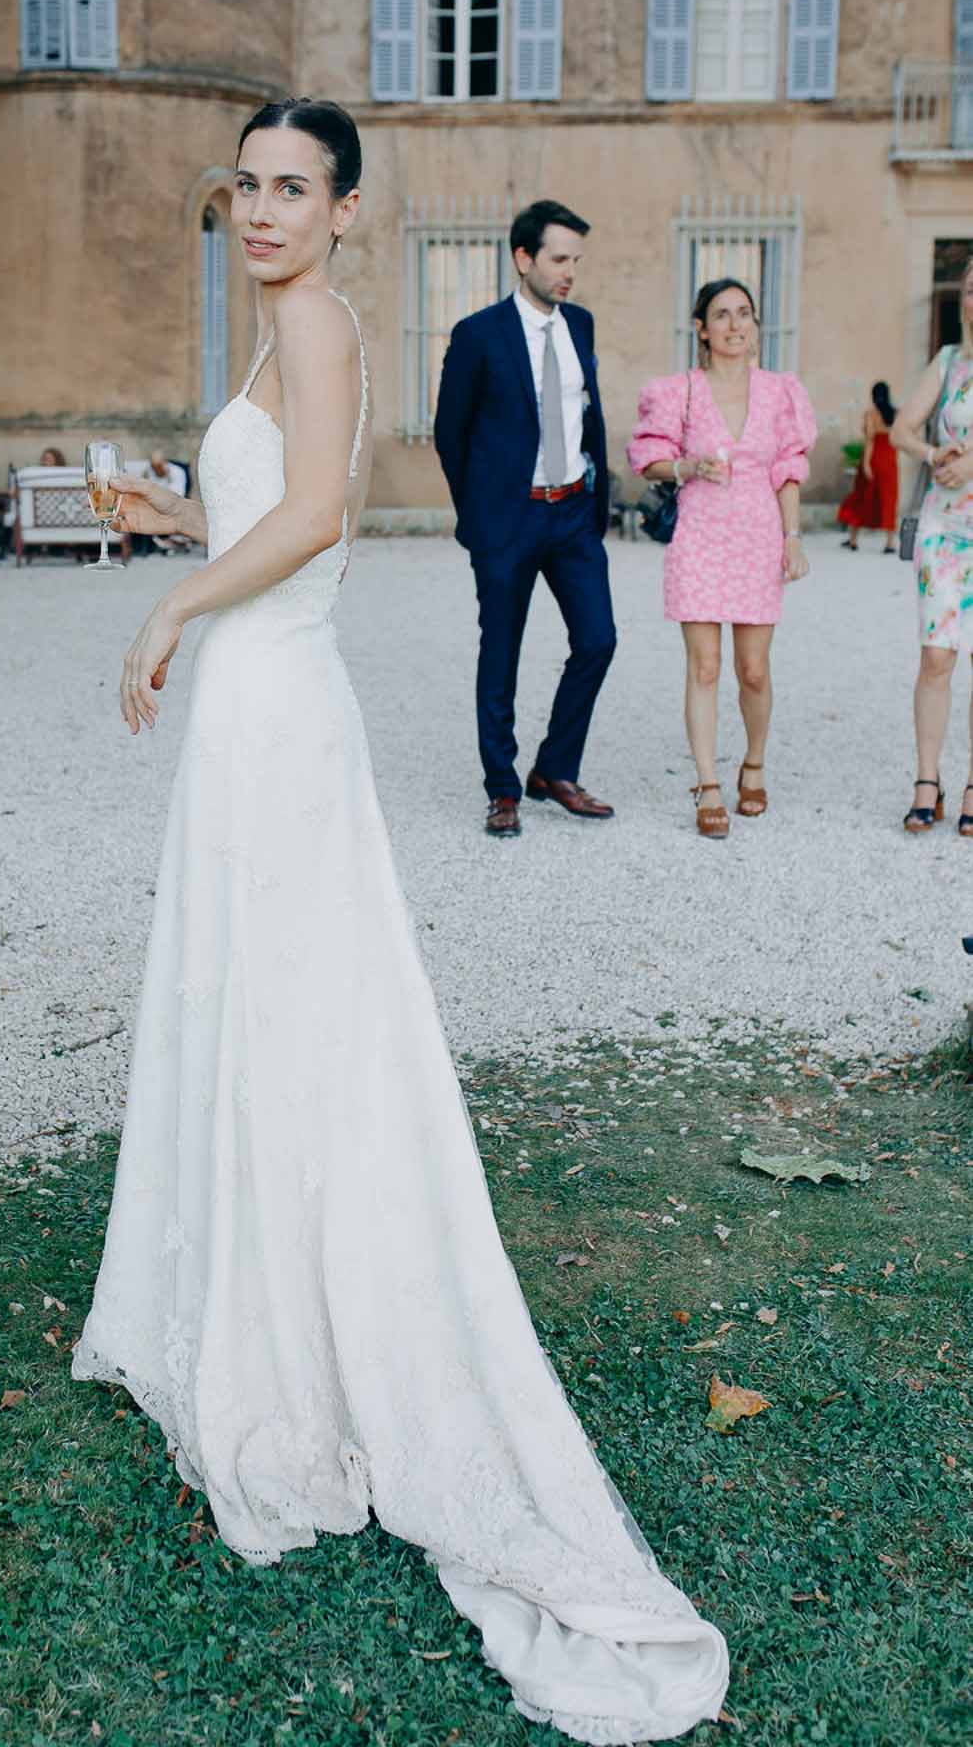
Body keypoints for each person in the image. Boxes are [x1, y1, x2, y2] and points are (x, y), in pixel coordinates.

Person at [73, 98, 728, 1744]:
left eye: (295, 187)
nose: (265, 209)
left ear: (345, 208)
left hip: (278, 705)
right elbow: (264, 512)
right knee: (264, 1008)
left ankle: (308, 1331)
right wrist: (171, 519)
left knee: (300, 1015)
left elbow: (317, 522)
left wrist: (168, 604)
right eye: (248, 184)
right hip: (259, 703)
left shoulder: (316, 319)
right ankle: (260, 1287)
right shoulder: (278, 326)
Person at [434, 200, 616, 838]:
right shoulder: (478, 335)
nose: (570, 273)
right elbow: (450, 434)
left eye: (576, 261)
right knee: (502, 651)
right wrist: (479, 517)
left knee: (598, 640)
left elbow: (587, 414)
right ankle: (502, 787)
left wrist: (595, 498)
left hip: (573, 514)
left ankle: (554, 769)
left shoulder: (581, 326)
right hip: (508, 520)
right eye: (559, 260)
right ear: (523, 258)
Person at [627, 279, 816, 838]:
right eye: (722, 315)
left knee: (753, 671)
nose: (735, 325)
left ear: (755, 325)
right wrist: (687, 467)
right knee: (704, 666)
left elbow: (787, 469)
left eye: (744, 314)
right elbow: (648, 458)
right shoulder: (679, 391)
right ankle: (708, 784)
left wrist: (793, 537)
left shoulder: (780, 392)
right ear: (702, 329)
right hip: (700, 536)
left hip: (758, 536)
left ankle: (754, 763)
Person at [892, 253, 973, 836]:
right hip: (944, 527)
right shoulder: (947, 363)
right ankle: (927, 780)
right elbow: (902, 428)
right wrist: (931, 453)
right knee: (936, 655)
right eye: (970, 287)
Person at [837, 382, 899, 552]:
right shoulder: (896, 414)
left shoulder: (871, 414)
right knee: (889, 499)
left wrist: (866, 464)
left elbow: (870, 440)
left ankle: (853, 540)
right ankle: (890, 543)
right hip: (890, 460)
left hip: (873, 459)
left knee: (861, 498)